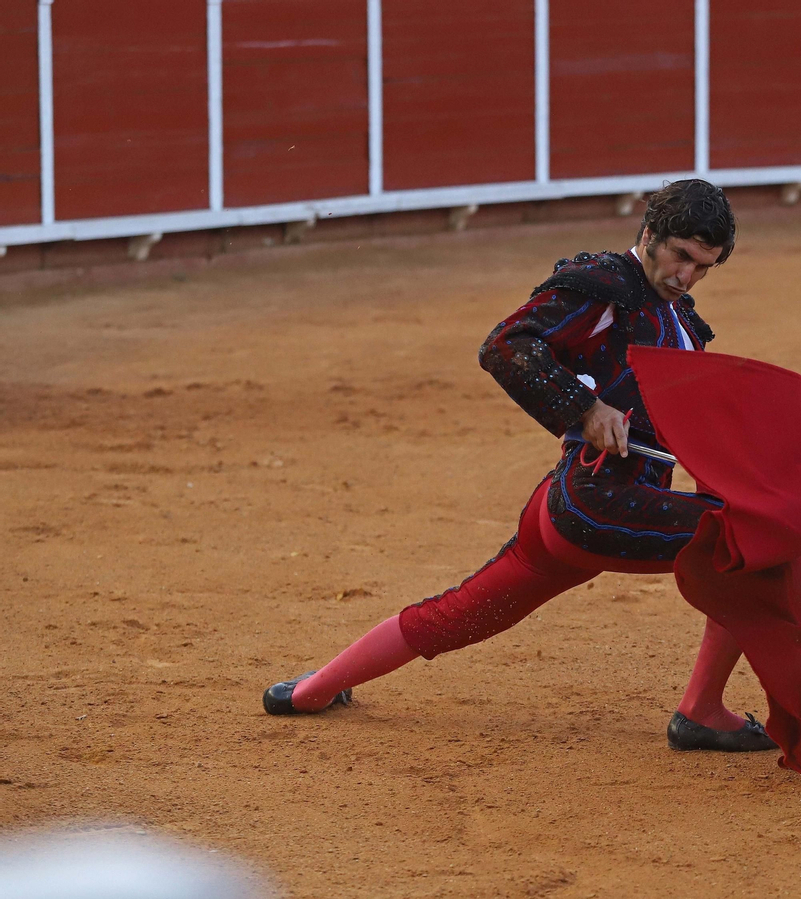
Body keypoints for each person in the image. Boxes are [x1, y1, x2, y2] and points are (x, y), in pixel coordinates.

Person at [262, 179, 774, 752]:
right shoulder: (606, 287)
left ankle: (311, 691)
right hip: (601, 504)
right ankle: (702, 710)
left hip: (569, 510)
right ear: (651, 233)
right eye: (681, 256)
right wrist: (585, 408)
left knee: (458, 614)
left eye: (702, 267)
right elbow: (505, 345)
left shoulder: (677, 317)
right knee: (752, 543)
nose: (686, 276)